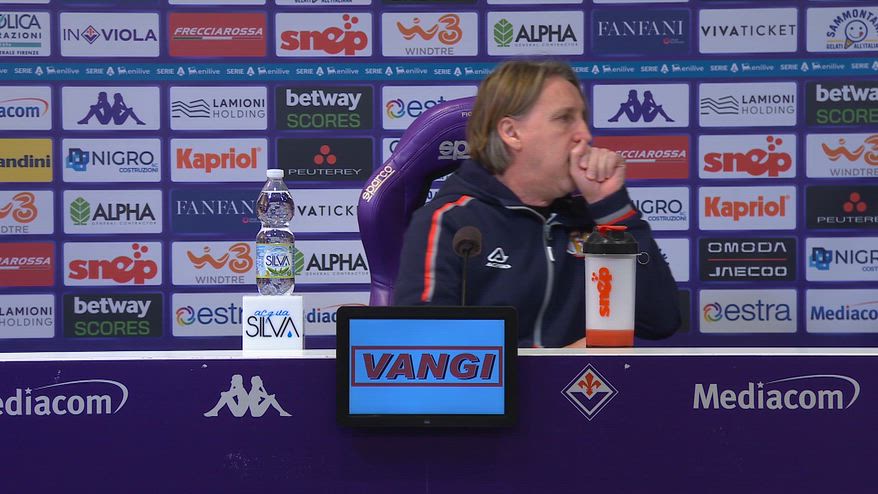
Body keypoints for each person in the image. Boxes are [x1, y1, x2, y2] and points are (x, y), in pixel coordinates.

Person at [393, 60, 681, 348]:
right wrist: (551, 363)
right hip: (506, 382)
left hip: (587, 380)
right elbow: (423, 352)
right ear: (511, 133)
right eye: (565, 119)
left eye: (583, 118)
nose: (585, 134)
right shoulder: (450, 223)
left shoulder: (594, 221)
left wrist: (613, 208)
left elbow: (660, 321)